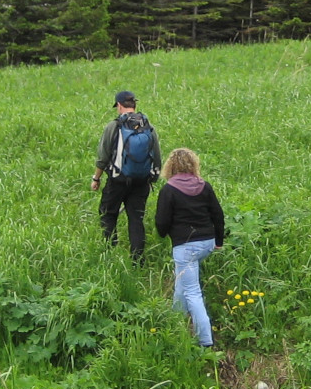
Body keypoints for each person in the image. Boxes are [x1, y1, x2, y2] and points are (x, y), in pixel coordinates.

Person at [154, 148, 225, 347]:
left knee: (192, 291)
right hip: (207, 243)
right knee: (182, 282)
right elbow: (218, 215)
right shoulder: (205, 186)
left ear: (170, 166)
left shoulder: (169, 189)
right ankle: (175, 323)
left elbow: (161, 221)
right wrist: (218, 242)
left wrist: (165, 234)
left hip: (185, 246)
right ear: (194, 164)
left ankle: (206, 341)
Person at [92, 91, 161, 264]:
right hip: (141, 181)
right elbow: (157, 155)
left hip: (118, 180)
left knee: (107, 214)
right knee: (136, 219)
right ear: (134, 105)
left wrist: (96, 179)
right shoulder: (147, 125)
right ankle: (138, 260)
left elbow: (103, 156)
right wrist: (153, 177)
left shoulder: (114, 126)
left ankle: (109, 253)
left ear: (119, 105)